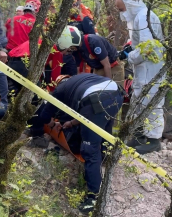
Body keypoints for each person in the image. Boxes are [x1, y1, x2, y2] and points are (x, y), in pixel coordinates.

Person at [39, 73, 124, 213]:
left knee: (90, 150)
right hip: (116, 94)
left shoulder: (60, 90)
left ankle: (93, 197)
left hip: (96, 101)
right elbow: (87, 107)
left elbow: (44, 115)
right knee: (104, 132)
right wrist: (72, 123)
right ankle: (106, 158)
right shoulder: (83, 79)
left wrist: (52, 124)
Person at [115, 0, 165, 154]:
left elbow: (147, 49)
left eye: (122, 9)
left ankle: (153, 139)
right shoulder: (139, 17)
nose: (122, 13)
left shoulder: (144, 16)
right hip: (144, 67)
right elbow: (140, 43)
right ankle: (139, 135)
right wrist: (130, 49)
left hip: (151, 67)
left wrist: (130, 56)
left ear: (129, 5)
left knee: (152, 101)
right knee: (138, 99)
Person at [57, 26, 124, 86]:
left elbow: (107, 65)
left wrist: (108, 85)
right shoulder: (76, 50)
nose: (69, 51)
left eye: (69, 49)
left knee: (116, 91)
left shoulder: (93, 42)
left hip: (113, 67)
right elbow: (80, 70)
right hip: (98, 69)